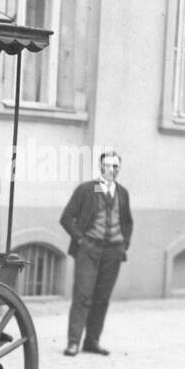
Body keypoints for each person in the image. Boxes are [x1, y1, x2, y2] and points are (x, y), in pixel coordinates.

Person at [59, 150, 133, 357]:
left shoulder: (123, 193)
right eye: (108, 166)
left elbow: (127, 222)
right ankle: (73, 342)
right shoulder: (86, 190)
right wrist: (81, 240)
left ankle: (92, 342)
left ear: (119, 169)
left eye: (115, 166)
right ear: (101, 167)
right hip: (89, 249)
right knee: (83, 295)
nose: (111, 170)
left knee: (102, 298)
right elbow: (66, 218)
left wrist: (123, 244)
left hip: (113, 252)